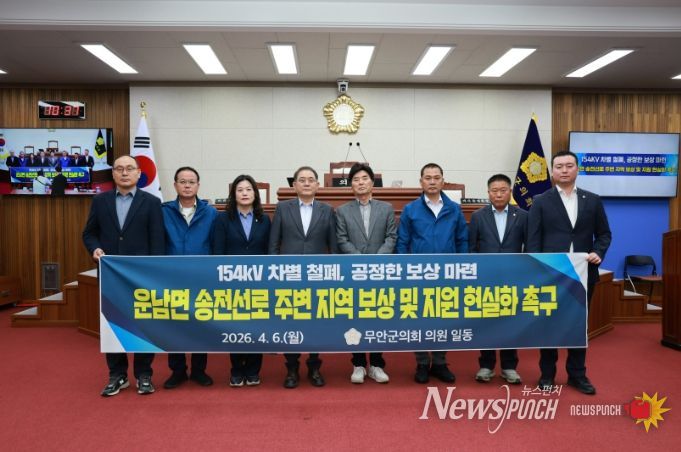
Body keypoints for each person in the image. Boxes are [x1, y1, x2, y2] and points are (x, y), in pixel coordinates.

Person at [527, 150, 611, 395]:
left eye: (569, 165)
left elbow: (604, 234)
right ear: (552, 171)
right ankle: (547, 375)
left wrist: (598, 251)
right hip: (550, 274)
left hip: (583, 274)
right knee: (548, 324)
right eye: (559, 166)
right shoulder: (540, 201)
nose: (564, 170)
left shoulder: (592, 200)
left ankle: (577, 375)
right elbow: (533, 240)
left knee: (578, 326)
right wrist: (538, 270)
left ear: (577, 169)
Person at [82, 155, 165, 397]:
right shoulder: (100, 201)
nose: (124, 173)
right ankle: (117, 375)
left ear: (139, 173)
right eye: (119, 169)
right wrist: (95, 249)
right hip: (111, 276)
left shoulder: (152, 202)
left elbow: (157, 240)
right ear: (113, 174)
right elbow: (89, 234)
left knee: (144, 324)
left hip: (141, 277)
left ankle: (144, 374)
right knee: (113, 325)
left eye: (129, 168)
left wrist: (154, 273)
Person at [396, 162, 468, 384]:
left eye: (436, 177)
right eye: (428, 178)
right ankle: (421, 363)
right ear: (421, 182)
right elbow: (402, 243)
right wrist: (405, 272)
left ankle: (439, 362)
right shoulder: (411, 210)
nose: (432, 181)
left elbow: (462, 241)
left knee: (443, 319)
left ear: (443, 181)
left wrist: (461, 269)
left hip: (447, 274)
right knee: (419, 320)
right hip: (418, 275)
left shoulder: (454, 209)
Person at [269, 166, 338, 388]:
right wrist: (275, 273)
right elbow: (274, 244)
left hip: (318, 277)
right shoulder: (282, 208)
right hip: (289, 277)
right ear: (294, 185)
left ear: (318, 185)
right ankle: (291, 368)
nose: (306, 183)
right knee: (290, 322)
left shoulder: (327, 210)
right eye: (302, 180)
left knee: (316, 323)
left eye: (310, 180)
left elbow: (334, 247)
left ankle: (314, 366)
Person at [336, 163, 396, 384]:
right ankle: (359, 363)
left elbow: (391, 237)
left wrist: (377, 259)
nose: (360, 182)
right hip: (355, 272)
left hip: (380, 272)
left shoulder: (386, 208)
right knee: (355, 317)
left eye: (364, 178)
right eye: (356, 179)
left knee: (379, 317)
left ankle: (377, 364)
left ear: (372, 182)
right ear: (351, 185)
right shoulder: (342, 211)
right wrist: (361, 260)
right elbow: (342, 239)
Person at [162, 166, 218, 390]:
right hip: (171, 277)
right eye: (182, 181)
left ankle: (198, 370)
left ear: (198, 185)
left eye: (191, 182)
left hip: (201, 278)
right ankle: (177, 371)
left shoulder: (210, 212)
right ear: (175, 185)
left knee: (200, 324)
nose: (187, 185)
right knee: (174, 326)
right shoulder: (163, 211)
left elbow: (215, 245)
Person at [468, 173, 527, 385]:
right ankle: (486, 365)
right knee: (487, 323)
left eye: (503, 190)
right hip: (486, 279)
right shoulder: (478, 216)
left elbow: (529, 248)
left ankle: (509, 367)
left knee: (511, 323)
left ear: (510, 192)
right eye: (494, 191)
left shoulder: (523, 216)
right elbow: (472, 248)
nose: (499, 194)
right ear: (488, 193)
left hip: (514, 279)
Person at [213, 174, 271, 387]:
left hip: (258, 282)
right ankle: (237, 370)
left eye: (248, 189)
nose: (245, 193)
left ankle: (253, 370)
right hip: (231, 282)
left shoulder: (264, 219)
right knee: (235, 327)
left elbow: (269, 251)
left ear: (255, 193)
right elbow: (218, 251)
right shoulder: (223, 219)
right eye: (240, 190)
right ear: (233, 194)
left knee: (256, 326)